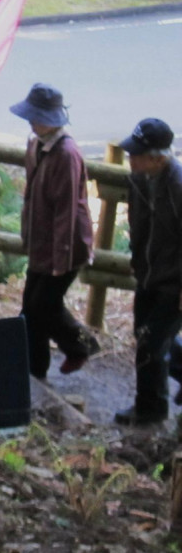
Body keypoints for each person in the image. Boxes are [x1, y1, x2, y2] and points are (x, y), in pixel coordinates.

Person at [10, 84, 98, 378]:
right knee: (30, 308)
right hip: (40, 241)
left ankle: (81, 345)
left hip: (66, 245)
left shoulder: (66, 153)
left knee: (43, 305)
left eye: (36, 117)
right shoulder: (36, 143)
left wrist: (61, 260)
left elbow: (67, 210)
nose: (31, 123)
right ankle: (33, 368)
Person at [115, 118, 182, 426]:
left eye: (137, 154)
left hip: (174, 281)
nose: (131, 159)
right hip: (148, 274)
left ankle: (151, 411)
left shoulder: (178, 186)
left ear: (158, 157)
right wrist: (138, 265)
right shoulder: (138, 179)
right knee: (147, 338)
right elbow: (138, 223)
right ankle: (148, 405)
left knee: (152, 343)